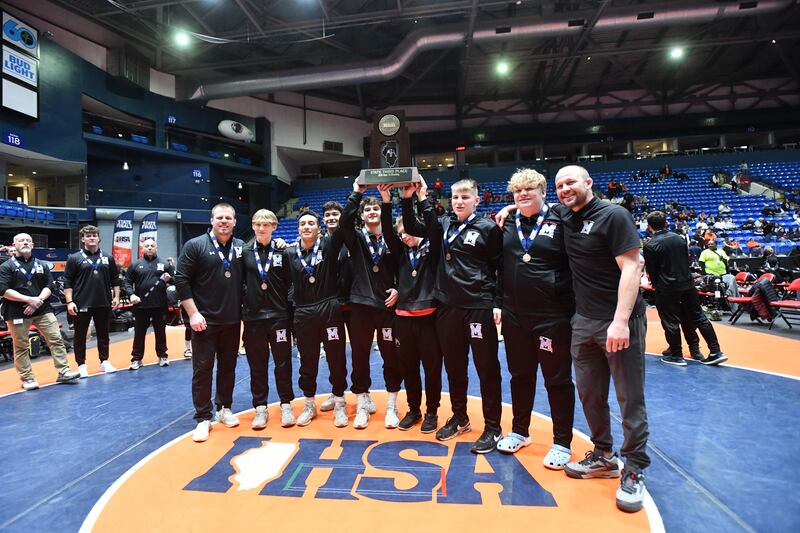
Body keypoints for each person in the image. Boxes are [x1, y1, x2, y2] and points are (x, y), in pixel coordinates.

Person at [553, 165, 650, 513]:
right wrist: (508, 209)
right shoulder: (564, 214)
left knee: (629, 399)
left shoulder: (614, 215)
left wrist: (621, 320)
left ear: (588, 183)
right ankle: (604, 456)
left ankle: (635, 469)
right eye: (560, 185)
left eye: (571, 182)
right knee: (590, 395)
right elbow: (533, 206)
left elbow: (633, 267)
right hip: (583, 322)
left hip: (619, 322)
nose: (565, 189)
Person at [403, 178, 503, 454]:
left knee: (486, 369)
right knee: (455, 367)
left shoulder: (488, 228)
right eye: (455, 196)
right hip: (447, 308)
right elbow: (412, 226)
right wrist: (413, 196)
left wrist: (497, 302)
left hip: (477, 306)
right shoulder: (444, 224)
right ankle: (460, 417)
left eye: (465, 197)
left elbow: (500, 267)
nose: (459, 201)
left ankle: (493, 427)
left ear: (477, 200)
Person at [493, 169, 576, 469]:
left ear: (543, 191)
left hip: (552, 316)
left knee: (557, 379)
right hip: (515, 315)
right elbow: (498, 267)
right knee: (520, 377)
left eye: (529, 189)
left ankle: (562, 442)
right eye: (517, 192)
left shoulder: (562, 219)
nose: (523, 194)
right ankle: (519, 431)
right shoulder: (506, 223)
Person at [175, 203, 245, 443]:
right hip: (204, 321)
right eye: (220, 218)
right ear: (212, 220)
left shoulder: (241, 247)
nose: (224, 221)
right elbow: (181, 280)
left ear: (235, 222)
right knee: (203, 370)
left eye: (228, 218)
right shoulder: (195, 245)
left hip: (232, 320)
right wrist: (193, 313)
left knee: (228, 367)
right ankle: (203, 417)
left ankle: (224, 408)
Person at [380, 179, 442, 433]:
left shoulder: (433, 247)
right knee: (409, 368)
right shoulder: (400, 252)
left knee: (432, 368)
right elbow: (386, 231)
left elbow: (432, 227)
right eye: (401, 232)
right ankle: (414, 409)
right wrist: (386, 202)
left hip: (429, 318)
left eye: (408, 230)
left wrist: (412, 198)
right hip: (403, 319)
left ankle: (432, 412)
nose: (405, 236)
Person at [339, 181, 402, 429]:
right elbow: (344, 222)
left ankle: (391, 406)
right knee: (360, 357)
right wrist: (358, 192)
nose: (372, 212)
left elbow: (403, 268)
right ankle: (363, 404)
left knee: (390, 357)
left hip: (387, 307)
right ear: (363, 215)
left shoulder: (392, 238)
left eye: (376, 209)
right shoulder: (355, 239)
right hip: (361, 307)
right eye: (368, 210)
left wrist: (399, 288)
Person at [284, 209, 349, 427]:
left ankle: (339, 402)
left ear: (319, 228)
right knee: (308, 360)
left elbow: (343, 223)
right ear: (298, 228)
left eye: (311, 223)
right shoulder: (289, 253)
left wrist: (356, 193)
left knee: (336, 357)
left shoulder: (329, 245)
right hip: (303, 312)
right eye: (303, 223)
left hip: (329, 307)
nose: (306, 226)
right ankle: (309, 404)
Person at [643, 212, 728, 366]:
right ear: (666, 223)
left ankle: (676, 355)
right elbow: (686, 261)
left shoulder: (650, 245)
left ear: (649, 226)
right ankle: (716, 351)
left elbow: (652, 272)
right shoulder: (680, 239)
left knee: (670, 321)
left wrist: (657, 287)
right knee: (699, 317)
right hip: (687, 283)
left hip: (667, 287)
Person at [0, 233, 81, 390]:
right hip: (16, 312)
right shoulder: (6, 266)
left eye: (28, 241)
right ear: (14, 245)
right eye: (21, 241)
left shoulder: (41, 264)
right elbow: (3, 290)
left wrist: (37, 301)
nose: (25, 243)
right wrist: (29, 300)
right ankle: (27, 378)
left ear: (33, 245)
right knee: (21, 346)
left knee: (56, 339)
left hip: (42, 309)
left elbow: (50, 285)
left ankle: (64, 372)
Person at [241, 209, 295, 429]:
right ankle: (260, 407)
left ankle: (286, 405)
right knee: (257, 364)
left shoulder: (285, 252)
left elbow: (292, 283)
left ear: (275, 227)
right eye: (258, 224)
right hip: (254, 319)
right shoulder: (244, 253)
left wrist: (287, 308)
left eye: (266, 224)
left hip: (279, 317)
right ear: (253, 226)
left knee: (283, 363)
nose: (262, 228)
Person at [63, 225, 121, 377]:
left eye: (94, 235)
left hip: (103, 302)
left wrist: (116, 297)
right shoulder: (74, 258)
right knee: (80, 336)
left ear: (98, 238)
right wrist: (70, 302)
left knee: (103, 334)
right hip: (81, 302)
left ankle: (104, 361)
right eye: (88, 236)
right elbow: (67, 282)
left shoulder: (108, 257)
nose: (92, 237)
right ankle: (81, 365)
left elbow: (115, 279)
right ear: (83, 239)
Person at [317, 200, 355, 413]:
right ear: (324, 220)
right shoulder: (320, 243)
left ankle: (362, 393)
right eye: (328, 215)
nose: (331, 217)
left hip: (355, 304)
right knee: (334, 353)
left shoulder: (352, 239)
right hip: (331, 306)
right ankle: (337, 392)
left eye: (335, 214)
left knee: (358, 352)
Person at [122, 238, 174, 370]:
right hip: (140, 306)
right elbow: (126, 282)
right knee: (139, 333)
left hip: (160, 305)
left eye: (152, 245)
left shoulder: (165, 264)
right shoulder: (135, 264)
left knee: (160, 332)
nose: (150, 247)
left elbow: (176, 281)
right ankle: (136, 359)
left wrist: (170, 279)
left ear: (156, 247)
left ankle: (163, 356)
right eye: (147, 246)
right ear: (143, 248)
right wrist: (131, 294)